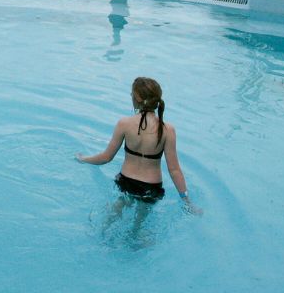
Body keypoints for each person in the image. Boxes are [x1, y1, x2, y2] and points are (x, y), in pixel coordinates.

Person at [76, 77, 196, 211]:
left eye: (132, 94)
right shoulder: (168, 130)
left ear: (137, 98)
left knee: (114, 212)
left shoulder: (124, 124)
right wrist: (186, 200)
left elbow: (106, 157)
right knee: (141, 221)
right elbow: (174, 170)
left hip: (126, 181)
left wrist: (83, 159)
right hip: (151, 187)